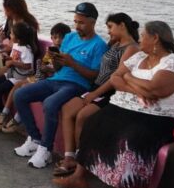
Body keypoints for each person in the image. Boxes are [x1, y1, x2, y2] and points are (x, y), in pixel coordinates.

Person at [54, 21, 174, 188]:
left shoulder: (173, 62)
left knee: (131, 138)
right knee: (92, 123)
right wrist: (136, 88)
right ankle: (79, 177)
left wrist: (129, 78)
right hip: (127, 108)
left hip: (161, 116)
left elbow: (153, 89)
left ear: (155, 38)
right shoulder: (140, 56)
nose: (140, 39)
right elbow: (115, 78)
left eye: (143, 36)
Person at [13, 2, 108, 168]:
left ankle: (46, 149)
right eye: (76, 21)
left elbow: (94, 76)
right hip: (56, 79)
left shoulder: (99, 45)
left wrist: (73, 64)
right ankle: (35, 139)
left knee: (50, 103)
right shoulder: (70, 38)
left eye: (81, 22)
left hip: (77, 85)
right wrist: (55, 60)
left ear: (93, 22)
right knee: (20, 95)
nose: (77, 26)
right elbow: (57, 68)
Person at [52, 13, 140, 177]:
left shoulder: (132, 48)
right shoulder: (115, 43)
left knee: (82, 116)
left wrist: (94, 94)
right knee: (67, 109)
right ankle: (69, 157)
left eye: (110, 27)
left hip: (108, 92)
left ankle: (81, 163)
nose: (108, 31)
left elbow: (116, 78)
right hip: (96, 87)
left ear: (122, 26)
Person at [0, 22, 39, 125]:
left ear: (19, 37)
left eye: (12, 34)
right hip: (10, 74)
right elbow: (14, 58)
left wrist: (13, 62)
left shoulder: (26, 49)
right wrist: (8, 58)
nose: (10, 36)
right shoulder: (16, 45)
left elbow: (28, 66)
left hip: (18, 77)